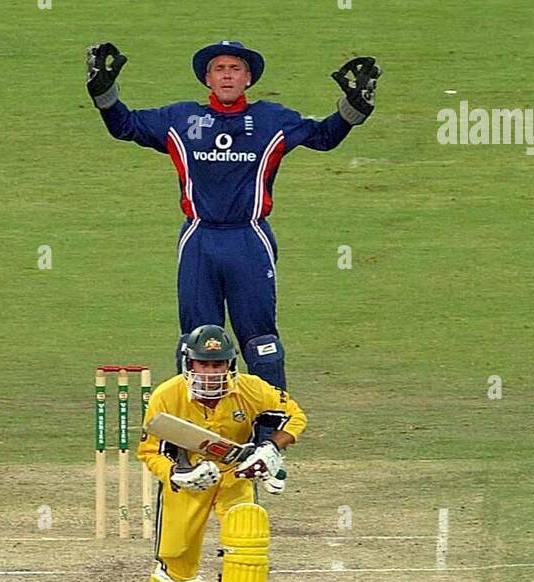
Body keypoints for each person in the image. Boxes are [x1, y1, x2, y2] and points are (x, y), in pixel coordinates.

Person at [85, 39, 381, 388]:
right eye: (219, 69)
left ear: (249, 78)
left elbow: (325, 136)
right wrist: (103, 94)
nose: (227, 76)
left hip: (249, 238)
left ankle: (268, 433)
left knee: (261, 342)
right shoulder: (179, 119)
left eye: (235, 69)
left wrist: (355, 105)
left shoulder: (272, 119)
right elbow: (126, 126)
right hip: (199, 238)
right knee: (197, 340)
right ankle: (194, 431)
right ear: (207, 79)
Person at [139, 323, 306, 582]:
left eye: (218, 365)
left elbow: (294, 416)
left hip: (234, 478)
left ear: (230, 365)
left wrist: (270, 449)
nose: (211, 373)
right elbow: (150, 450)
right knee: (179, 558)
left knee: (247, 548)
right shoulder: (166, 396)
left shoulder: (250, 389)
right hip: (189, 479)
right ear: (190, 364)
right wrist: (176, 475)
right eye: (204, 364)